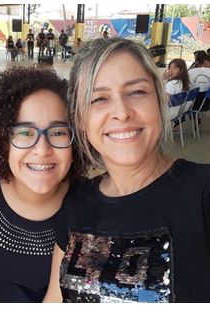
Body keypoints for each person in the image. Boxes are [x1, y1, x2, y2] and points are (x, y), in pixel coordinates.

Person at [44, 37, 210, 303]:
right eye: (98, 98)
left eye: (136, 92)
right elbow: (55, 300)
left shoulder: (202, 192)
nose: (121, 112)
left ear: (160, 101)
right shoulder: (75, 203)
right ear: (80, 119)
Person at [0, 66, 85, 303]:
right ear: (2, 139)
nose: (42, 150)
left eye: (58, 132)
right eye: (25, 132)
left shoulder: (87, 206)